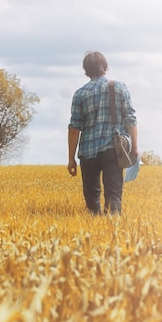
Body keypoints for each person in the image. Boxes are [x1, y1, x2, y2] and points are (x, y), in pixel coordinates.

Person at [67, 51, 138, 215]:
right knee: (113, 196)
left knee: (92, 198)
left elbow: (74, 128)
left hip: (87, 153)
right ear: (105, 67)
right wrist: (134, 148)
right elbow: (130, 119)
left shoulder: (80, 94)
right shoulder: (118, 87)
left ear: (86, 70)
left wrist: (71, 158)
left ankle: (93, 232)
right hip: (113, 149)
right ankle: (112, 233)